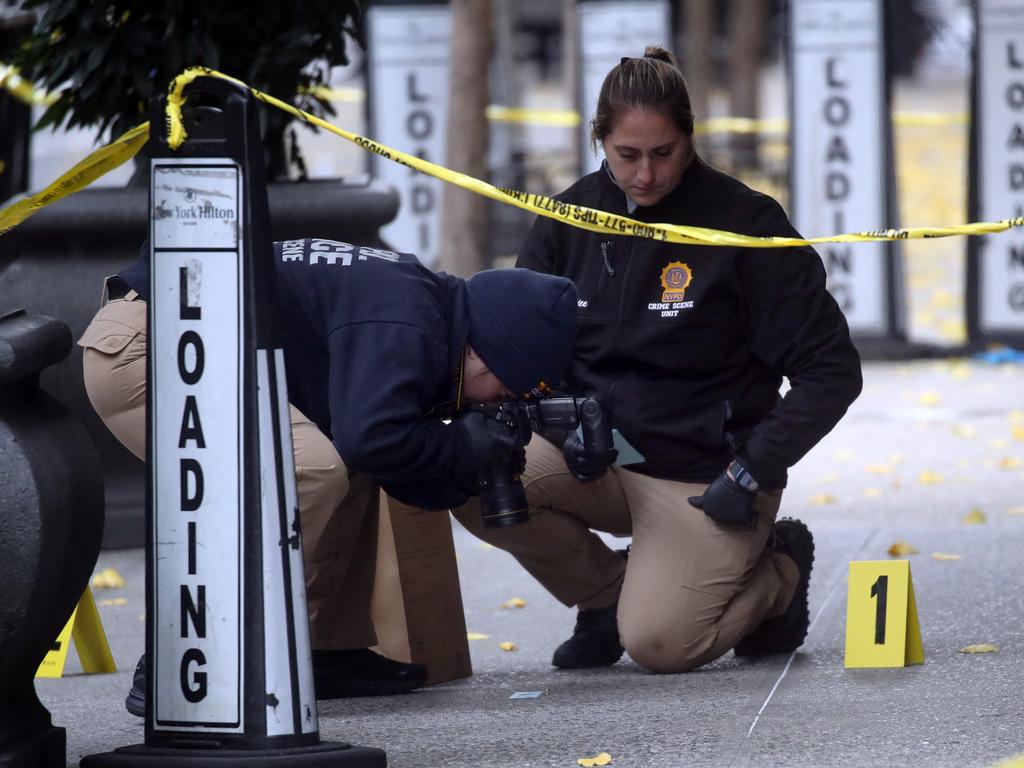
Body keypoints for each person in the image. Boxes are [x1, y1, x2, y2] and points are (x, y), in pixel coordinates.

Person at [452, 46, 862, 673]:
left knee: (661, 646)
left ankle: (778, 571)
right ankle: (604, 597)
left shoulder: (745, 225)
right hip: (591, 454)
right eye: (627, 156)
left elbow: (832, 373)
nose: (644, 175)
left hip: (705, 474)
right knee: (466, 472)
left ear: (689, 139)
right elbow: (514, 351)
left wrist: (752, 470)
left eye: (662, 154)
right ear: (600, 141)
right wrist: (555, 415)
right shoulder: (565, 220)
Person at [79, 237, 578, 714]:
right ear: (482, 350)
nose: (497, 404)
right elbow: (373, 439)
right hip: (150, 350)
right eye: (506, 391)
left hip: (186, 342)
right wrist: (463, 442)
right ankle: (187, 653)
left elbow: (391, 465)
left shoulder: (429, 317)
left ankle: (322, 651)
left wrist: (469, 464)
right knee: (308, 467)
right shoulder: (407, 321)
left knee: (345, 461)